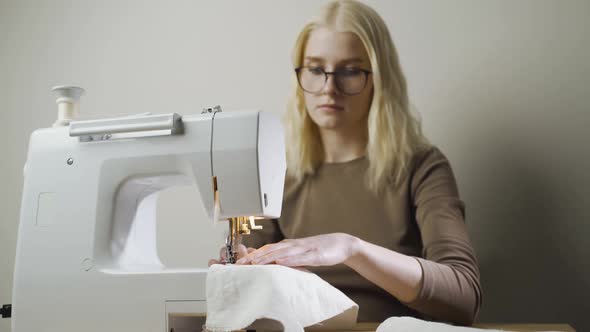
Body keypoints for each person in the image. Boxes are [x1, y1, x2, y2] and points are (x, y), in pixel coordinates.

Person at [210, 0, 482, 326]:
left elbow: (464, 295)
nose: (329, 88)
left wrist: (352, 250)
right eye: (314, 69)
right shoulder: (275, 174)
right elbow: (250, 290)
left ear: (379, 78)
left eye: (350, 71)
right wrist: (237, 278)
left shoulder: (422, 168)